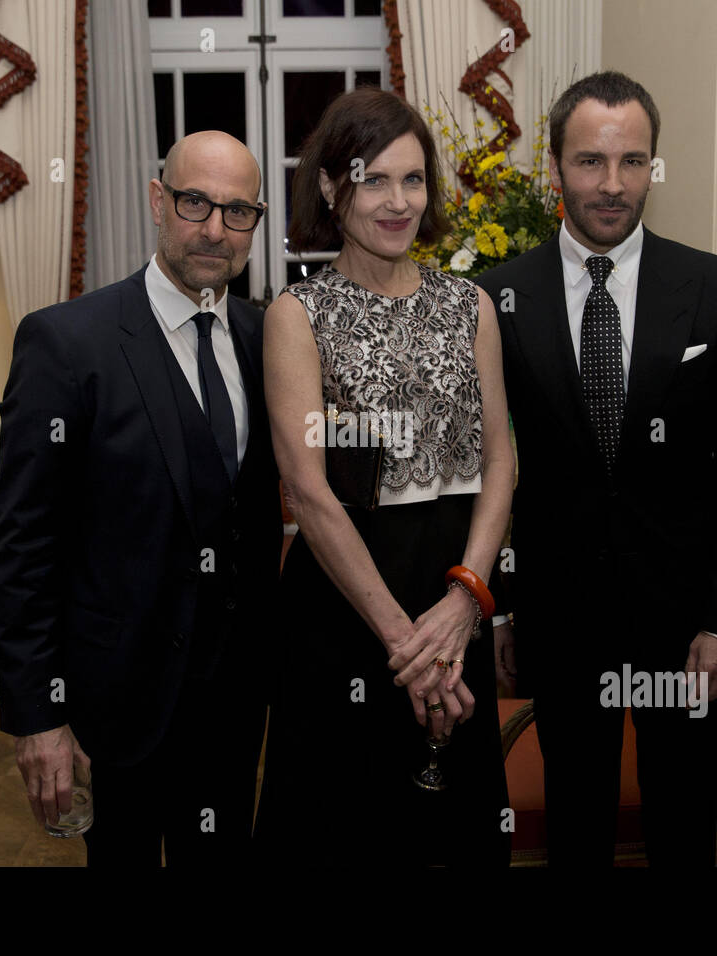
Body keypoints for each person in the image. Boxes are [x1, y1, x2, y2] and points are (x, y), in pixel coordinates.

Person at [477, 71, 717, 866]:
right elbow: (490, 471)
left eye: (633, 163)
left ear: (652, 166)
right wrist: (501, 611)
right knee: (577, 824)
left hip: (688, 628)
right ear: (553, 170)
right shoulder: (495, 299)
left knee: (681, 827)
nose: (612, 186)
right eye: (589, 163)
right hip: (561, 619)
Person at [0, 130, 283, 867]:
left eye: (238, 211)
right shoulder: (66, 342)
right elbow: (25, 546)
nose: (215, 230)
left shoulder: (264, 335)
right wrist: (40, 717)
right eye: (196, 203)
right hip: (115, 703)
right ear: (159, 202)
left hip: (234, 699)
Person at [254, 88, 514, 866]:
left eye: (413, 179)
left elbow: (502, 459)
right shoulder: (296, 315)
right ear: (333, 189)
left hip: (454, 589)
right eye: (374, 180)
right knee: (343, 831)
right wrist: (411, 648)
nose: (398, 202)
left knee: (452, 831)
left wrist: (465, 603)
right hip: (345, 606)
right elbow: (306, 490)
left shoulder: (471, 305)